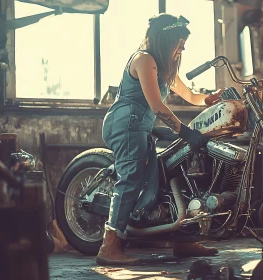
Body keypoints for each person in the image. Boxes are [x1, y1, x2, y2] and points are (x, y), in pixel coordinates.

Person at [96, 13, 222, 265]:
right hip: (125, 124)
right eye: (179, 41)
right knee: (131, 177)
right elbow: (156, 105)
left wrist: (207, 99)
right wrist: (184, 131)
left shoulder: (164, 68)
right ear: (165, 39)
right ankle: (109, 247)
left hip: (141, 126)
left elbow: (189, 95)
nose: (183, 47)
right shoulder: (144, 60)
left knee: (173, 170)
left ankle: (183, 240)